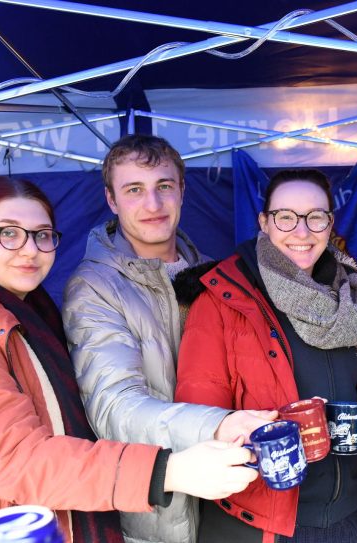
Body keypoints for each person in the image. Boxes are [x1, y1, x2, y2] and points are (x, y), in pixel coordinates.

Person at [0, 177, 259, 542]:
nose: (29, 249)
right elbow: (16, 459)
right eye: (8, 233)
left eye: (42, 235)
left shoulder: (32, 319)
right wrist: (170, 471)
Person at [62, 135, 274, 543]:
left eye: (164, 187)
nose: (153, 205)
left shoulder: (214, 274)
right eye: (134, 190)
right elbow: (113, 408)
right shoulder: (94, 287)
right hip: (159, 513)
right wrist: (220, 425)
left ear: (182, 190)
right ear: (111, 200)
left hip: (231, 502)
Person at [175, 169, 357, 543]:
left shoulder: (354, 295)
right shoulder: (222, 300)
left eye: (314, 217)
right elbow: (199, 421)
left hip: (353, 519)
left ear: (329, 223)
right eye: (285, 217)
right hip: (264, 525)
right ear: (264, 222)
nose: (301, 232)